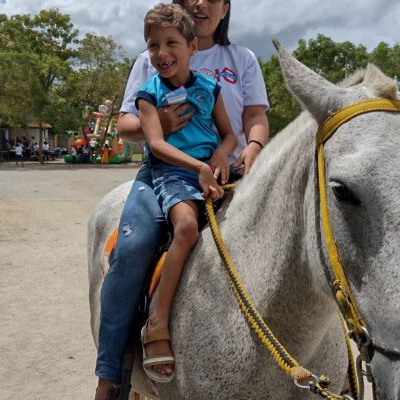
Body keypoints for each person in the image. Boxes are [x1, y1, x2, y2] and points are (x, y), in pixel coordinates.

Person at [94, 0, 269, 397]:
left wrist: (249, 151)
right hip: (165, 171)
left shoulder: (240, 59)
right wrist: (159, 124)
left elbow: (253, 117)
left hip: (230, 170)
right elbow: (126, 124)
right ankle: (112, 376)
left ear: (225, 8)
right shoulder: (150, 61)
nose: (200, 2)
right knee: (134, 245)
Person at [133, 3, 237, 382]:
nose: (161, 53)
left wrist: (222, 155)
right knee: (187, 228)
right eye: (153, 45)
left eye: (171, 43)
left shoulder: (210, 88)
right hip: (174, 173)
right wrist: (200, 167)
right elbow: (156, 145)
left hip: (212, 169)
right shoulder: (149, 95)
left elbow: (230, 134)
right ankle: (156, 321)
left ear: (193, 47)